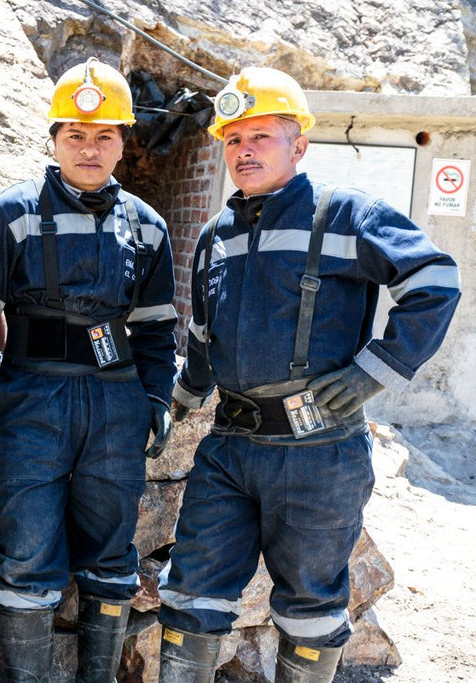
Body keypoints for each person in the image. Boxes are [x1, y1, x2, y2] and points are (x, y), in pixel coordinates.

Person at [157, 67, 461, 682]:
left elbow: (435, 283)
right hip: (230, 448)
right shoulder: (216, 235)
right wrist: (181, 401)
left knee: (311, 609)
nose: (244, 151)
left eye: (261, 136)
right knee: (191, 595)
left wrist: (373, 371)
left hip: (319, 452)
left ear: (299, 145)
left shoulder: (347, 215)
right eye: (234, 139)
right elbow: (202, 336)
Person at [0, 58, 179, 682]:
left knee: (112, 553)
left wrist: (156, 398)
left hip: (115, 403)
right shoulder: (4, 215)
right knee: (27, 549)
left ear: (124, 140)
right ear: (54, 138)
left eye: (105, 136)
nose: (90, 149)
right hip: (32, 398)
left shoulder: (147, 225)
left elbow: (155, 327)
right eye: (76, 136)